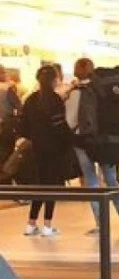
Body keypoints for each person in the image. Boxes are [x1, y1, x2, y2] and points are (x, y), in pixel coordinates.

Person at [65, 58, 119, 235]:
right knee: (111, 180)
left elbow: (70, 121)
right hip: (106, 140)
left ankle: (100, 223)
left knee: (92, 181)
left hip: (83, 142)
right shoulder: (105, 89)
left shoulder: (77, 92)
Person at [17, 65, 73, 237]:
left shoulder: (31, 100)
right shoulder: (55, 100)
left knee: (39, 185)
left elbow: (23, 126)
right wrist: (69, 141)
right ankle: (47, 224)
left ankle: (31, 223)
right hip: (54, 149)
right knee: (51, 186)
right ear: (54, 80)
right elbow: (61, 126)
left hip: (36, 148)